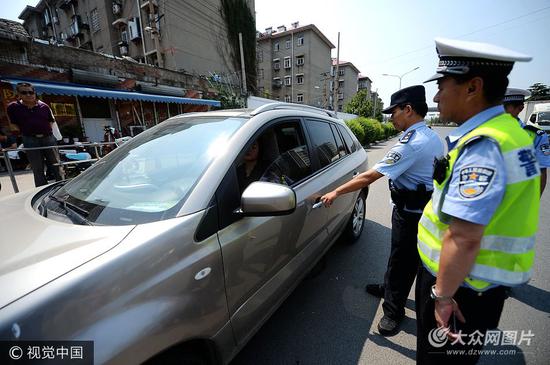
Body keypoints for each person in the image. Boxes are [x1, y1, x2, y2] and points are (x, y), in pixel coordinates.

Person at [416, 38, 540, 364]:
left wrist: (441, 297)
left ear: (473, 87)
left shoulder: (485, 145)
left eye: (443, 85)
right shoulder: (510, 132)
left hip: (461, 289)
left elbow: (464, 236)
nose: (436, 96)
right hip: (475, 285)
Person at [320, 85, 444, 336]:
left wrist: (335, 192)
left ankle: (393, 311)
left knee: (402, 261)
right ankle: (389, 287)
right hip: (420, 208)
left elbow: (369, 176)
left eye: (394, 112)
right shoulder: (429, 136)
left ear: (408, 110)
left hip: (410, 214)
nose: (390, 117)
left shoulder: (412, 144)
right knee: (400, 256)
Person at [6, 82, 63, 186]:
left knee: (56, 164)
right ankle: (41, 191)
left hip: (48, 138)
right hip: (30, 139)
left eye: (31, 92)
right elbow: (13, 124)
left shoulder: (44, 106)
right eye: (24, 92)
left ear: (34, 93)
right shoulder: (13, 107)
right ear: (18, 94)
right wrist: (28, 131)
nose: (28, 95)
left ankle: (62, 187)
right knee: (37, 167)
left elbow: (51, 121)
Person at [503, 88, 550, 195]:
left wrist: (535, 201)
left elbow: (541, 171)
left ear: (520, 108)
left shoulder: (536, 136)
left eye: (505, 108)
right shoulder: (485, 131)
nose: (499, 111)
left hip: (519, 198)